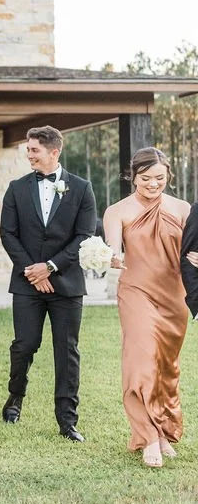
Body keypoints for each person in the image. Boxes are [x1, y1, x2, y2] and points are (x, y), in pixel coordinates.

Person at [0, 126, 96, 442]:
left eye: (34, 150)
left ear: (54, 151)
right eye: (28, 150)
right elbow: (8, 234)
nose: (29, 155)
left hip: (66, 283)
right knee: (24, 344)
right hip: (27, 283)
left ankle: (67, 421)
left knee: (66, 351)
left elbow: (84, 235)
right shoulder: (16, 188)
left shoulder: (81, 188)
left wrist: (51, 267)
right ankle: (16, 395)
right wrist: (32, 270)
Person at [107, 148, 190, 468]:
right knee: (140, 364)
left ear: (168, 175)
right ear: (132, 176)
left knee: (167, 369)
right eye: (145, 179)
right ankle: (148, 437)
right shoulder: (118, 211)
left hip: (174, 296)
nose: (153, 184)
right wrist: (112, 256)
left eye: (159, 178)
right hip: (136, 293)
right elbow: (114, 248)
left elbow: (192, 252)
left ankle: (166, 431)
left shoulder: (183, 209)